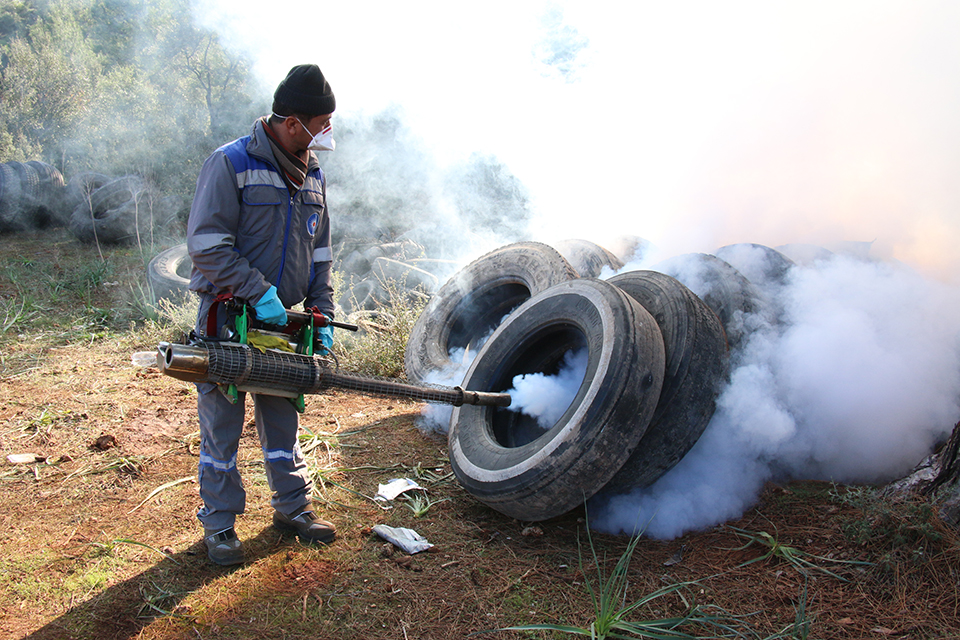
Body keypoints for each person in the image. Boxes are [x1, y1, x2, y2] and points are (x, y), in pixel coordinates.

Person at [186, 64, 338, 565]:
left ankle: (292, 509)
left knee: (282, 417)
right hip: (229, 317)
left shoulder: (312, 173)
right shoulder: (230, 163)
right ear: (292, 122)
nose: (322, 136)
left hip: (284, 323)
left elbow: (320, 255)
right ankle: (221, 526)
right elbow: (207, 247)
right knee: (222, 425)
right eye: (318, 124)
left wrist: (322, 315)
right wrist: (258, 291)